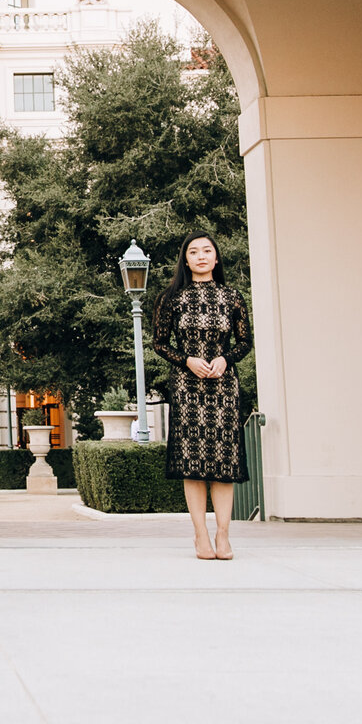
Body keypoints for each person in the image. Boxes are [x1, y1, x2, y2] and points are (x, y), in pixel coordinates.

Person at [156, 231, 252, 560]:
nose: (201, 256)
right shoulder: (171, 298)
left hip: (224, 387)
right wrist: (187, 360)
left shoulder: (232, 297)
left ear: (216, 257)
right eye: (194, 251)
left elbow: (244, 342)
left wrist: (226, 359)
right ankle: (201, 536)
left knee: (224, 463)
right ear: (185, 259)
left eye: (207, 250)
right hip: (187, 387)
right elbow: (159, 342)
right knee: (193, 464)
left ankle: (223, 535)